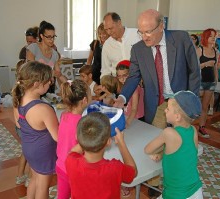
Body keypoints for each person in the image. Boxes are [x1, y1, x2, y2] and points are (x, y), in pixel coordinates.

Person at [113, 9, 200, 197]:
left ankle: (179, 178)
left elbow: (194, 71)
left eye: (148, 31)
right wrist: (122, 98)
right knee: (156, 140)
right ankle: (154, 188)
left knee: (182, 142)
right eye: (140, 32)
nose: (144, 37)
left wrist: (190, 103)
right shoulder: (138, 49)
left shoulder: (181, 39)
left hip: (179, 102)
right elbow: (133, 77)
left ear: (162, 26)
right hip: (158, 103)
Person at [12, 61, 58, 199]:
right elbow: (58, 137)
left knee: (34, 179)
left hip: (29, 149)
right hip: (43, 153)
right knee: (43, 186)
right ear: (37, 83)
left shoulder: (18, 101)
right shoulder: (43, 109)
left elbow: (19, 125)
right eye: (48, 80)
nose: (50, 82)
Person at [144, 90, 203, 199]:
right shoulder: (193, 130)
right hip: (195, 190)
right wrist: (162, 155)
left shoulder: (168, 133)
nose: (165, 110)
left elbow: (147, 149)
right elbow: (184, 152)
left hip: (176, 194)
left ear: (177, 117)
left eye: (168, 108)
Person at [66, 112, 137, 199]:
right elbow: (133, 172)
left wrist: (85, 139)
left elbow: (73, 152)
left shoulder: (70, 161)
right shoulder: (115, 168)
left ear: (77, 137)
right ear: (108, 142)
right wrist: (121, 143)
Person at [56, 79, 91, 199]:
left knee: (62, 195)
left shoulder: (64, 115)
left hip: (60, 165)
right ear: (85, 100)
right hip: (75, 169)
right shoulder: (82, 123)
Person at [26, 21, 65, 93]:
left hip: (48, 89)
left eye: (53, 37)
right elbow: (30, 71)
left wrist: (68, 86)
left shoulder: (55, 54)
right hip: (33, 89)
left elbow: (59, 74)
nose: (52, 40)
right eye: (49, 37)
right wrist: (50, 73)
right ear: (41, 36)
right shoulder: (33, 48)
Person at [101, 12, 140, 77]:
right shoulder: (107, 45)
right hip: (118, 84)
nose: (109, 32)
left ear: (119, 23)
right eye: (106, 30)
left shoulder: (137, 35)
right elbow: (105, 70)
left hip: (139, 81)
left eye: (110, 28)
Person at [196, 28, 218, 138]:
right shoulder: (200, 50)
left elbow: (215, 68)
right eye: (211, 36)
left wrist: (216, 80)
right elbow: (193, 67)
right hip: (199, 81)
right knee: (195, 106)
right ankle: (185, 126)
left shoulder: (215, 51)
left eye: (214, 36)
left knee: (205, 107)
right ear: (205, 37)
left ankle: (202, 127)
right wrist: (205, 64)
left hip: (210, 82)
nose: (213, 37)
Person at [116, 60, 144, 128]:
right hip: (128, 117)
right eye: (119, 76)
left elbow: (134, 109)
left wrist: (127, 123)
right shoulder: (123, 87)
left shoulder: (134, 88)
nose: (122, 79)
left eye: (125, 75)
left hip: (137, 119)